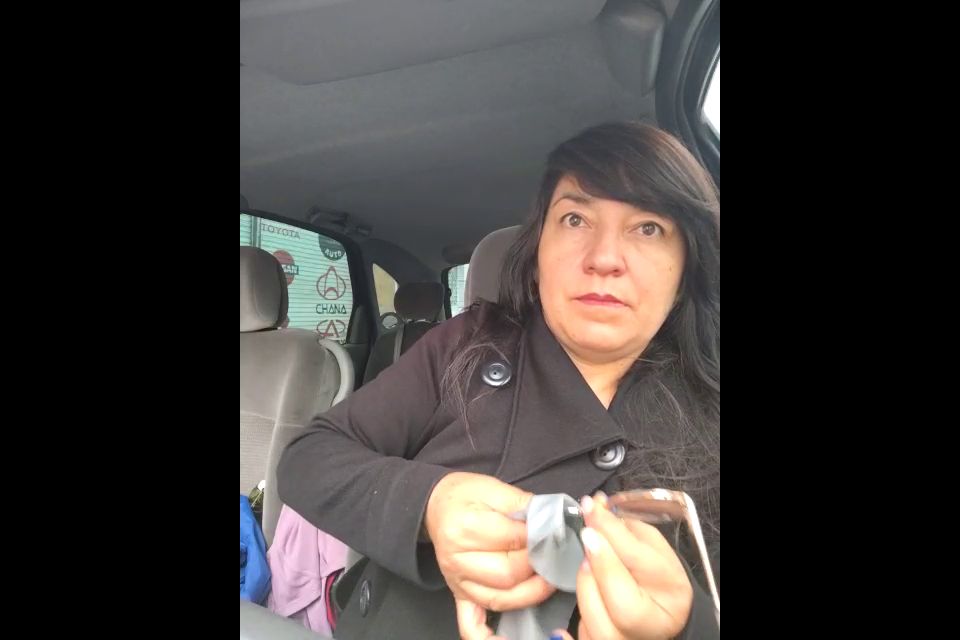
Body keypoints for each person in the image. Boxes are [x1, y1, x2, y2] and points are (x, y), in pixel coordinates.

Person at [277, 121, 720, 640]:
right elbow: (309, 457)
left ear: (684, 271)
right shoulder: (467, 344)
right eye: (575, 218)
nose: (604, 258)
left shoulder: (708, 409)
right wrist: (429, 503)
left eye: (648, 228)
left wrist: (685, 626)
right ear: (538, 254)